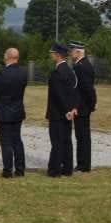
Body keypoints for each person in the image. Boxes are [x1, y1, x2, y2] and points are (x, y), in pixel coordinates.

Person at [0, 47, 27, 178]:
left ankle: (7, 170)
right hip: (17, 110)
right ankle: (20, 169)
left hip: (4, 111)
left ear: (8, 57)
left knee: (5, 142)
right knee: (17, 140)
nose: (3, 56)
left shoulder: (1, 74)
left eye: (5, 54)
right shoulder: (23, 73)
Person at [45, 43, 78, 177]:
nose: (51, 55)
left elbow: (58, 96)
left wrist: (66, 110)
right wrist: (72, 108)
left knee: (57, 142)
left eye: (52, 53)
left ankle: (55, 170)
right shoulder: (70, 71)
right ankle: (67, 168)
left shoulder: (57, 73)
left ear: (58, 55)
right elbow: (75, 92)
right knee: (66, 141)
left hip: (58, 113)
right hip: (68, 112)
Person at [69, 40, 97, 172]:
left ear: (78, 52)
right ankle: (83, 163)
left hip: (82, 106)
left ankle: (83, 165)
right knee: (82, 136)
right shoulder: (82, 64)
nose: (70, 53)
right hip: (83, 105)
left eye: (72, 51)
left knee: (83, 137)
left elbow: (87, 89)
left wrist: (91, 104)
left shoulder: (81, 66)